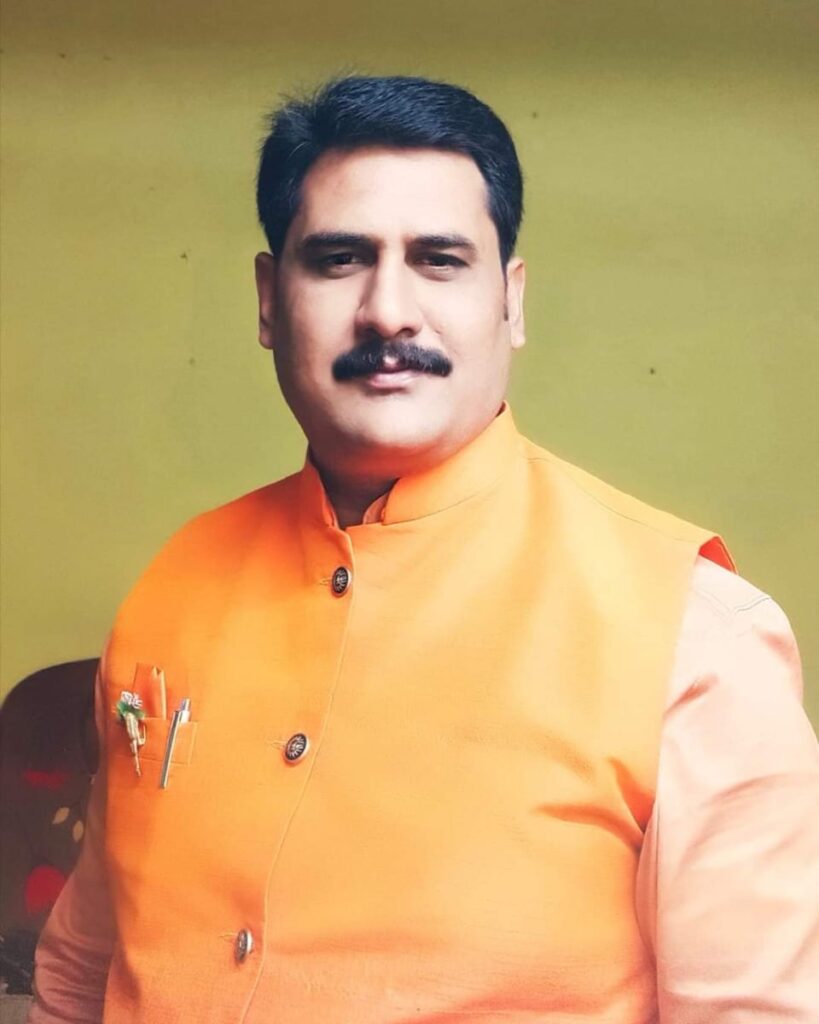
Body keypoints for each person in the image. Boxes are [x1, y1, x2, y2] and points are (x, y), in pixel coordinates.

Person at [29, 75, 818, 1023]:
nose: (387, 312)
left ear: (509, 303)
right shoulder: (177, 579)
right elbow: (84, 967)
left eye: (439, 260)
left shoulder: (694, 636)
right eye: (339, 259)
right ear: (270, 301)